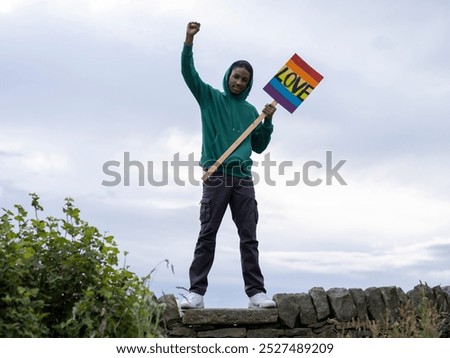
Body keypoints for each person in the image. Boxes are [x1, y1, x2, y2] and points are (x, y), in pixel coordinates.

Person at [180, 21, 277, 309]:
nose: (238, 82)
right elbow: (189, 73)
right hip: (217, 176)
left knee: (249, 237)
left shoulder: (250, 111)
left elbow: (258, 146)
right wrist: (188, 41)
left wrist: (268, 121)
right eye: (236, 77)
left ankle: (256, 294)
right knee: (207, 234)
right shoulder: (209, 98)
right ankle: (196, 293)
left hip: (243, 179)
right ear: (228, 76)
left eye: (244, 80)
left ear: (248, 84)